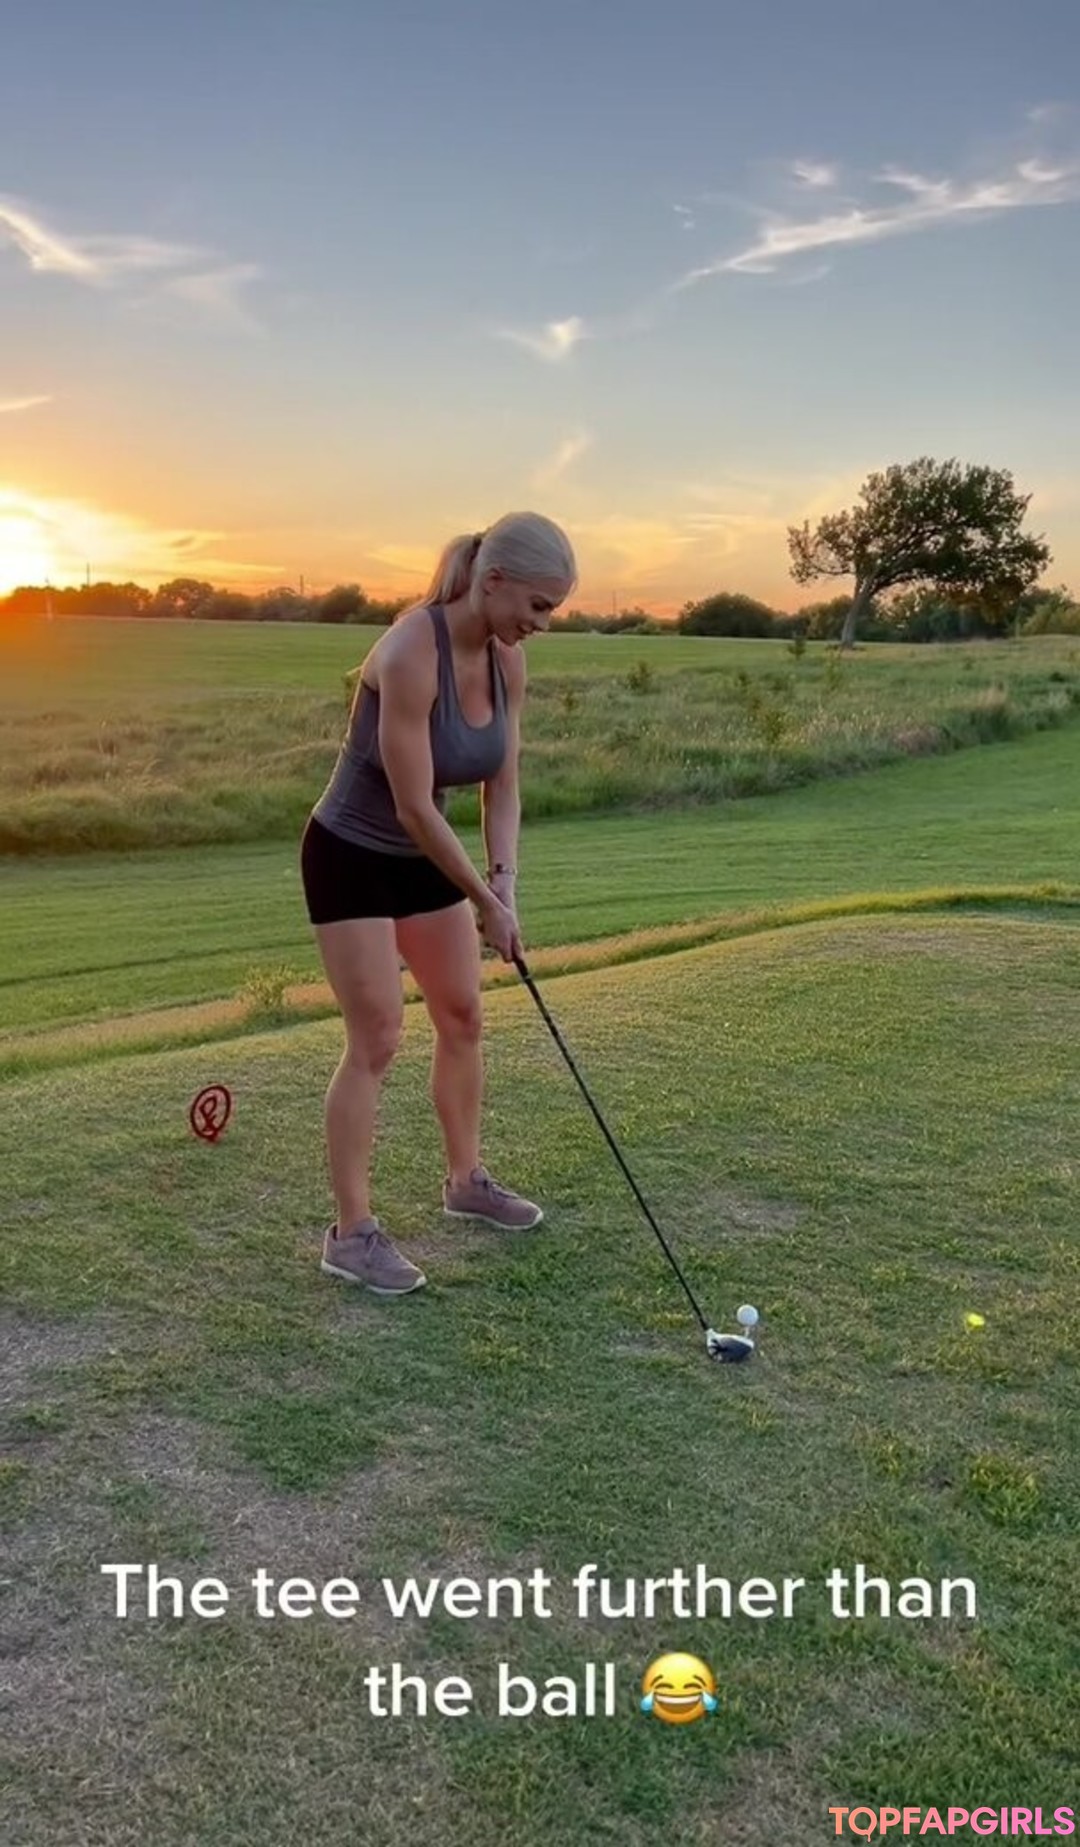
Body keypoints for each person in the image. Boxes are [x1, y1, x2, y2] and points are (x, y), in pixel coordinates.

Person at [300, 510, 577, 1296]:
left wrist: (504, 883)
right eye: (538, 605)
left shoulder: (506, 662)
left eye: (552, 609)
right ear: (494, 581)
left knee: (462, 1015)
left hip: (428, 860)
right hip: (352, 855)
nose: (541, 623)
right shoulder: (408, 652)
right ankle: (351, 1234)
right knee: (378, 1036)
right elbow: (414, 805)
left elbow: (503, 783)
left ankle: (465, 1182)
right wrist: (483, 899)